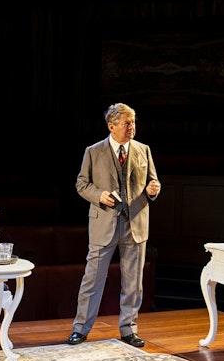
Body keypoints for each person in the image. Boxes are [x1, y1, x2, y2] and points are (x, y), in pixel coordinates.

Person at [67, 103, 161, 348]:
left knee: (133, 282)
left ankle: (129, 329)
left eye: (133, 122)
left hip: (135, 224)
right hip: (104, 224)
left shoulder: (144, 150)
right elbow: (81, 184)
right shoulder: (94, 151)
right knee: (92, 279)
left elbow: (152, 182)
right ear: (112, 126)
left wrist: (153, 189)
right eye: (127, 123)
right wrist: (99, 195)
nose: (132, 127)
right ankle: (80, 329)